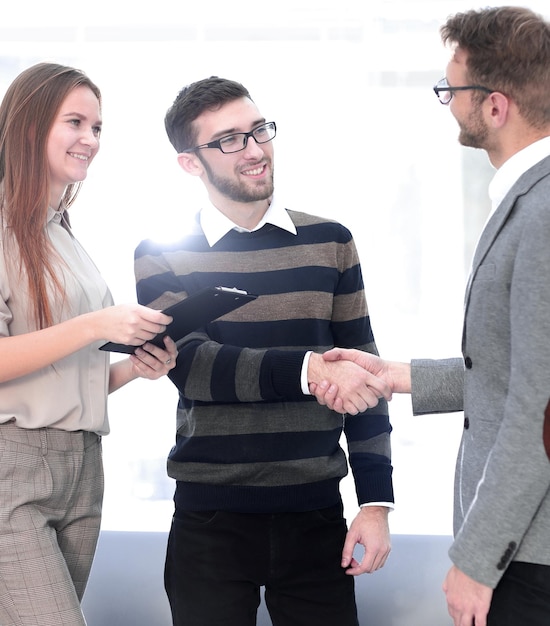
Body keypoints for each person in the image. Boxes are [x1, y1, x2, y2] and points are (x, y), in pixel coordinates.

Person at [313, 6, 550, 626]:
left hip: (529, 555)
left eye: (454, 89)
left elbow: (539, 411)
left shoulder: (544, 212)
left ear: (495, 106)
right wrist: (395, 375)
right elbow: (514, 374)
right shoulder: (529, 201)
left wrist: (475, 559)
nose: (449, 103)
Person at [133, 76, 393, 626]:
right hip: (209, 521)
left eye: (259, 131)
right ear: (190, 163)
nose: (254, 150)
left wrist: (374, 503)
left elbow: (365, 374)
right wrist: (307, 369)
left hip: (317, 516)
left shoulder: (331, 241)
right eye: (229, 140)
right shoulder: (160, 255)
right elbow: (196, 369)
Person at [0, 62, 178, 626]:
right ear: (30, 126)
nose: (91, 140)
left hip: (83, 470)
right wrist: (98, 326)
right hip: (16, 467)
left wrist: (133, 369)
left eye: (98, 127)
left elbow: (64, 374)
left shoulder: (62, 232)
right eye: (75, 122)